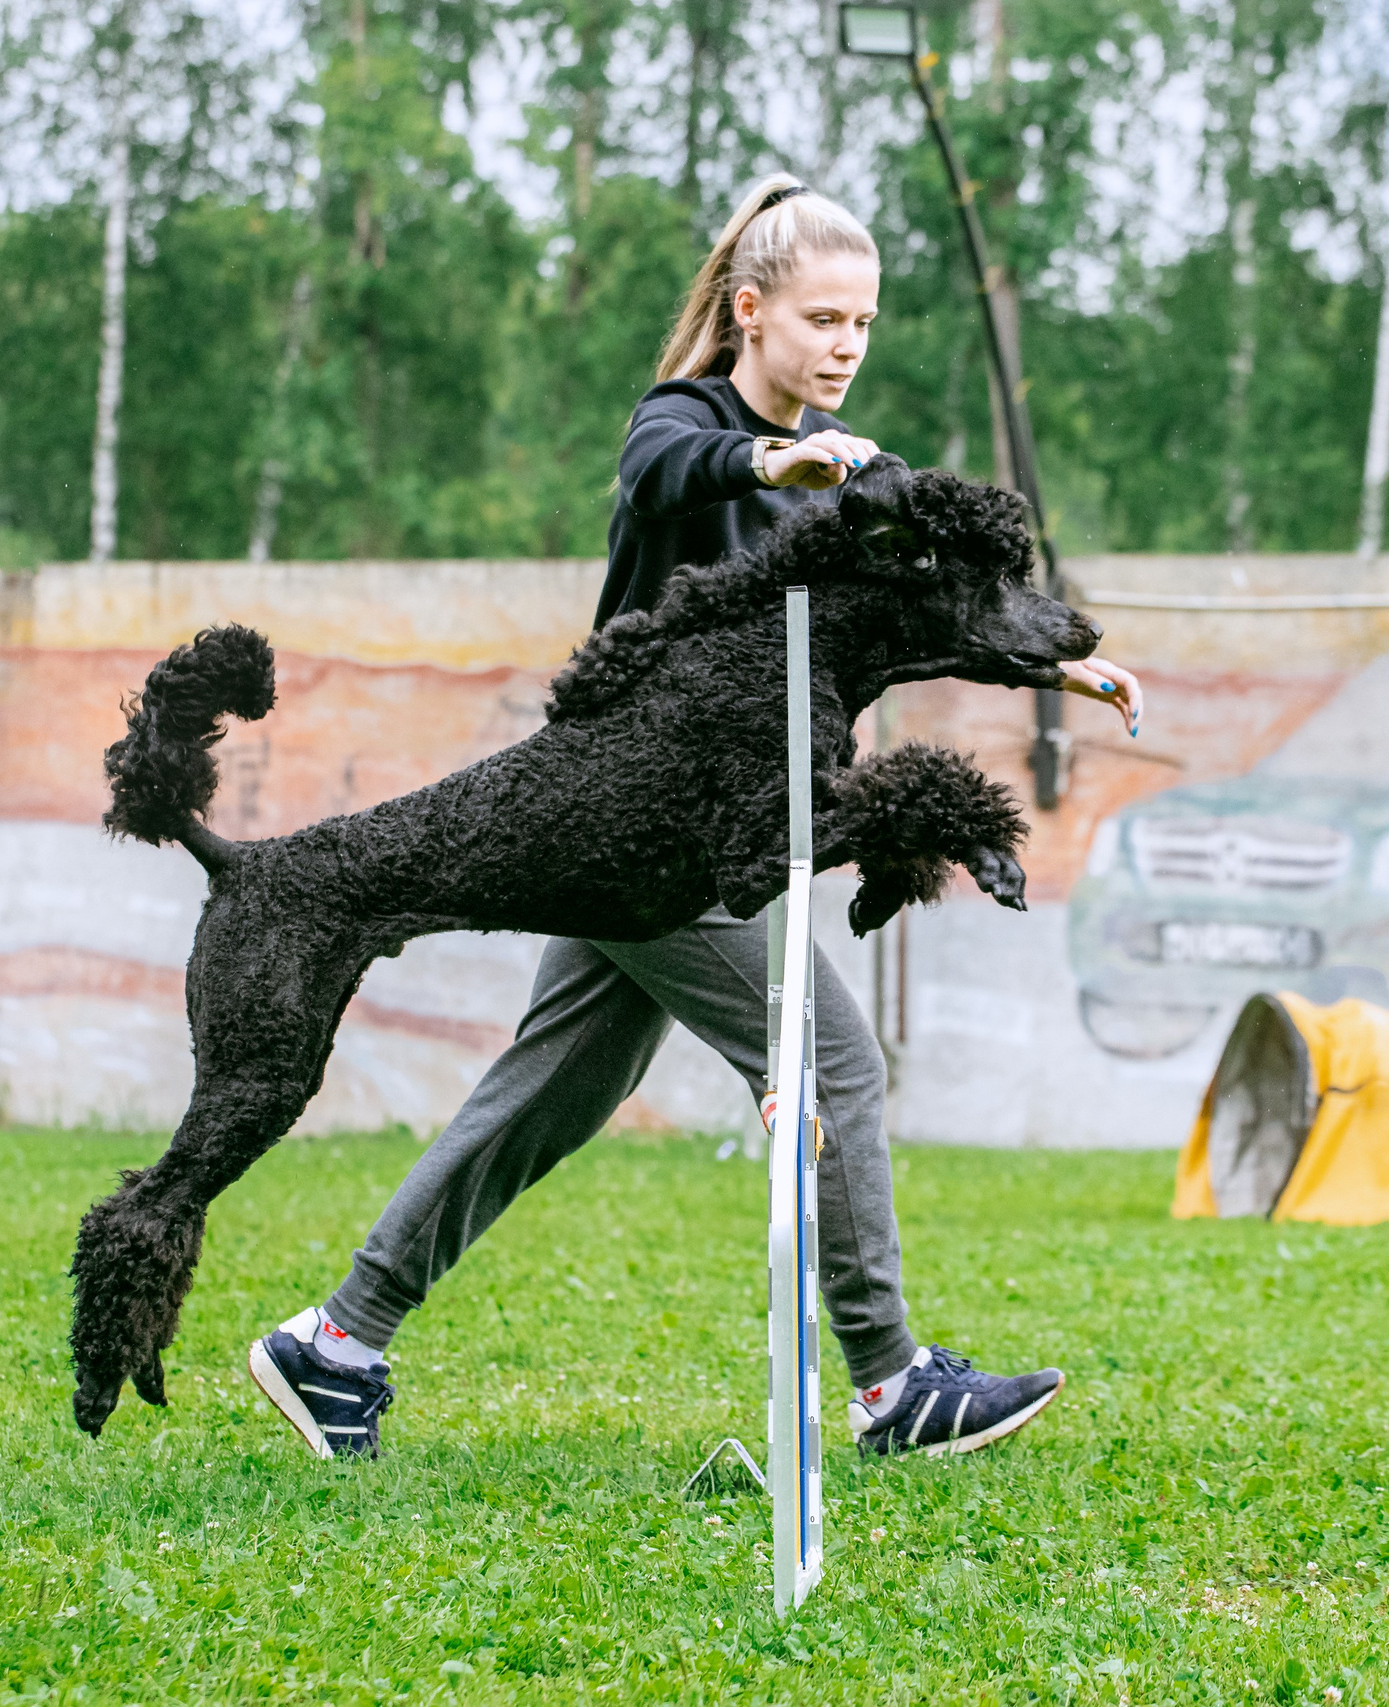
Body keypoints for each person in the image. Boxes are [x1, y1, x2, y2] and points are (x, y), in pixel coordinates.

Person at [248, 174, 1145, 1461]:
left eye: (865, 324)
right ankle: (893, 1386)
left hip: (678, 830)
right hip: (642, 819)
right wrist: (769, 457)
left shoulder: (859, 473)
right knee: (833, 1061)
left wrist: (1044, 658)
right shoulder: (688, 423)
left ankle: (334, 1345)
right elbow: (672, 468)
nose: (845, 346)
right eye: (824, 318)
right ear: (750, 311)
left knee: (552, 1091)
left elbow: (917, 608)